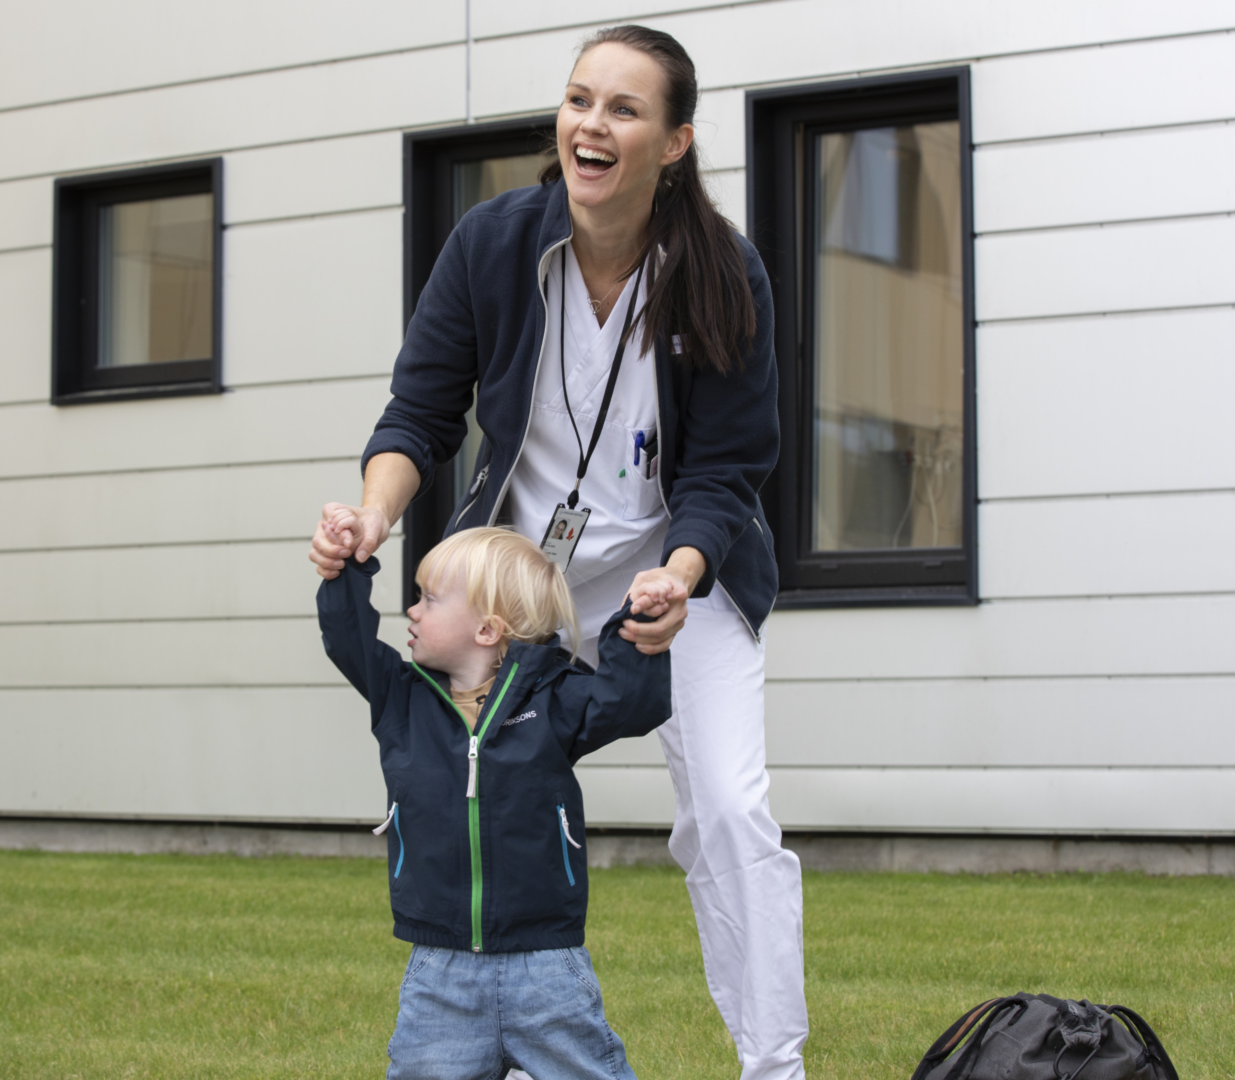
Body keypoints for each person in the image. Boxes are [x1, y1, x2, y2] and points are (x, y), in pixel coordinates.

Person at [310, 24, 809, 1080]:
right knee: (464, 789)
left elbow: (726, 474)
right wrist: (374, 518)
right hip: (520, 577)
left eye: (625, 110)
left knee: (728, 809)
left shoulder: (727, 275)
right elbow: (419, 412)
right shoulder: (493, 242)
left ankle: (776, 1069)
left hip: (673, 573)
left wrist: (677, 580)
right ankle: (488, 1035)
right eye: (580, 99)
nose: (592, 124)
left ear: (674, 143)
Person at [317, 525, 675, 1078]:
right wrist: (346, 565)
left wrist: (638, 627)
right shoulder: (401, 698)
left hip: (548, 966)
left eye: (429, 599)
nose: (412, 611)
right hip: (442, 969)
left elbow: (629, 705)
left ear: (487, 629)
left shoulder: (552, 697)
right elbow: (348, 639)